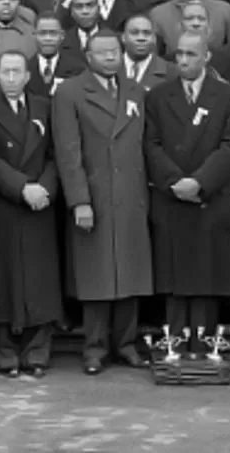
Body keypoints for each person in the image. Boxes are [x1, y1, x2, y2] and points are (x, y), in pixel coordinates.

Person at [52, 32, 153, 375]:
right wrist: (79, 200)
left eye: (114, 51)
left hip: (130, 195)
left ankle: (126, 344)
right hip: (94, 195)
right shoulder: (69, 92)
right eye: (102, 52)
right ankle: (94, 348)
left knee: (130, 274)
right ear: (87, 55)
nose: (110, 57)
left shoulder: (136, 91)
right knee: (95, 276)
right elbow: (68, 153)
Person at [144, 32, 230, 335]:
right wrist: (175, 181)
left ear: (206, 57)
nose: (184, 61)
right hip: (171, 198)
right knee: (175, 280)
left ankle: (202, 345)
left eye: (191, 54)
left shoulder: (228, 96)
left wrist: (200, 182)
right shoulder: (158, 96)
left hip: (211, 198)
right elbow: (151, 144)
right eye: (180, 55)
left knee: (205, 279)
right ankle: (174, 343)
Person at [0, 50, 65, 378]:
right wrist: (21, 188)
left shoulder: (45, 107)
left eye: (18, 72)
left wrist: (44, 187)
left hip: (40, 203)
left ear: (28, 76)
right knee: (3, 282)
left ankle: (37, 352)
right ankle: (5, 355)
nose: (12, 78)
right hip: (3, 203)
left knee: (40, 282)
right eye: (6, 72)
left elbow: (57, 154)